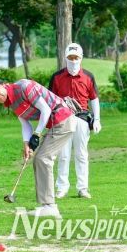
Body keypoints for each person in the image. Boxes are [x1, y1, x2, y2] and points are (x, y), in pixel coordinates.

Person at [0, 77, 79, 218]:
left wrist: (37, 134)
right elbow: (25, 123)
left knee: (43, 159)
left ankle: (49, 207)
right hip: (56, 123)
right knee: (40, 159)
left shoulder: (24, 87)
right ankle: (47, 205)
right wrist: (26, 143)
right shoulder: (11, 103)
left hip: (63, 119)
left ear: (3, 85)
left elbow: (45, 110)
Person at [49, 43, 101, 200]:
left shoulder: (88, 76)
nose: (73, 61)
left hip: (82, 119)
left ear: (81, 58)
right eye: (70, 58)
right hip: (62, 119)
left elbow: (94, 98)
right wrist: (51, 121)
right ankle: (62, 188)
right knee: (63, 155)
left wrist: (97, 119)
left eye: (76, 58)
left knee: (81, 154)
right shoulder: (57, 77)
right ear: (65, 58)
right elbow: (50, 99)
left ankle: (82, 188)